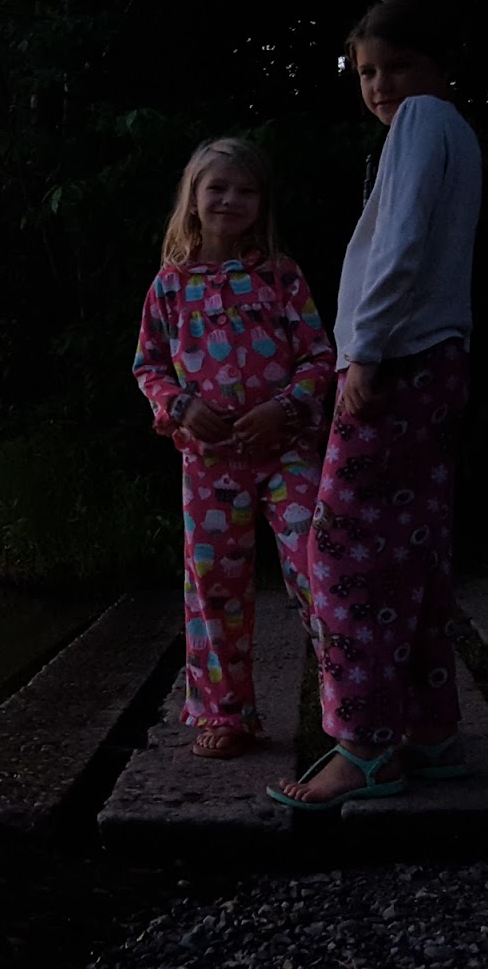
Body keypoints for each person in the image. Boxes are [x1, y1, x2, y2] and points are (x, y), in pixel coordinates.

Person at [269, 0, 482, 809]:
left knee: (344, 551)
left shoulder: (421, 122)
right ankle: (429, 731)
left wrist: (363, 352)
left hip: (398, 359)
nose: (381, 84)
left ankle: (364, 747)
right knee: (413, 547)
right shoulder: (452, 131)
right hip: (437, 357)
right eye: (366, 71)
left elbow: (400, 246)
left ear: (441, 66)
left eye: (399, 65)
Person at [134, 137, 335, 759]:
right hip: (210, 463)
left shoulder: (280, 274)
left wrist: (286, 408)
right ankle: (225, 713)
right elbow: (148, 366)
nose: (230, 199)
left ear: (262, 202)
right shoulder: (170, 285)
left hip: (287, 452)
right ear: (193, 199)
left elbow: (319, 356)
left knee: (319, 565)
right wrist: (180, 406)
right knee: (214, 585)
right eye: (217, 188)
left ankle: (354, 704)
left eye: (246, 190)